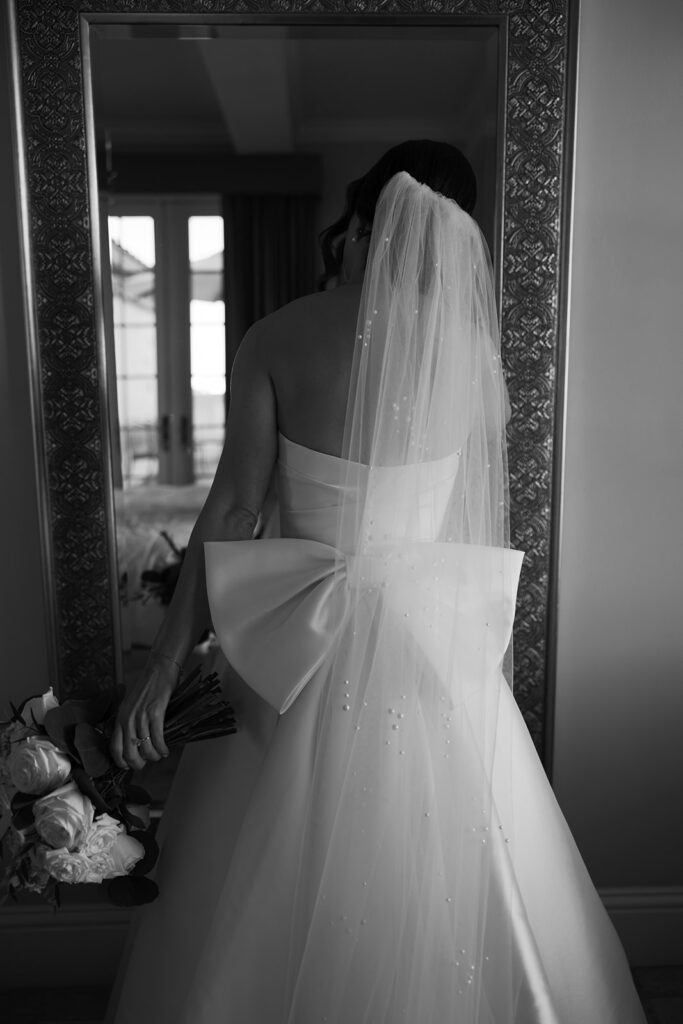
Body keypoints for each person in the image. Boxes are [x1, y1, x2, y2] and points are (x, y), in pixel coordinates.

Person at [106, 141, 646, 1023]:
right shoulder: (470, 355)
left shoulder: (279, 335)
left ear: (362, 219)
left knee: (251, 865)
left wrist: (165, 665)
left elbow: (236, 509)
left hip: (298, 645)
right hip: (430, 641)